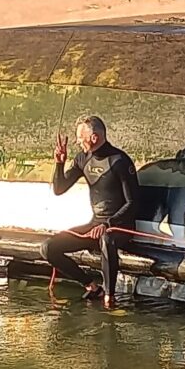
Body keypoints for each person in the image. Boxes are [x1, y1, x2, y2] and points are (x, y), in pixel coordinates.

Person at [38, 115, 140, 307]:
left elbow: (133, 203)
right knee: (48, 247)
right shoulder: (82, 158)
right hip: (95, 224)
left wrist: (107, 224)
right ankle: (91, 286)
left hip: (120, 226)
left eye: (80, 137)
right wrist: (59, 163)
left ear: (94, 138)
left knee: (106, 238)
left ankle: (110, 296)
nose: (77, 142)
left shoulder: (119, 161)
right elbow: (59, 189)